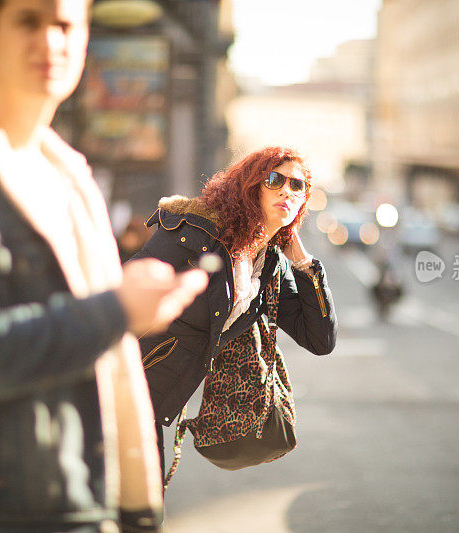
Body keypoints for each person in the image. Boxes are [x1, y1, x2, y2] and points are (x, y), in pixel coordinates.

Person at [0, 1, 207, 531]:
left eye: (65, 24)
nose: (50, 42)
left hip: (81, 502)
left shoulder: (65, 176)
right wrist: (115, 309)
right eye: (28, 21)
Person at [131, 147, 337, 473]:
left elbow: (320, 340)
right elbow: (127, 291)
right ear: (250, 186)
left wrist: (304, 264)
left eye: (297, 186)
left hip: (154, 404)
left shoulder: (269, 265)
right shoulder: (195, 234)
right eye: (274, 179)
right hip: (122, 387)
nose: (286, 189)